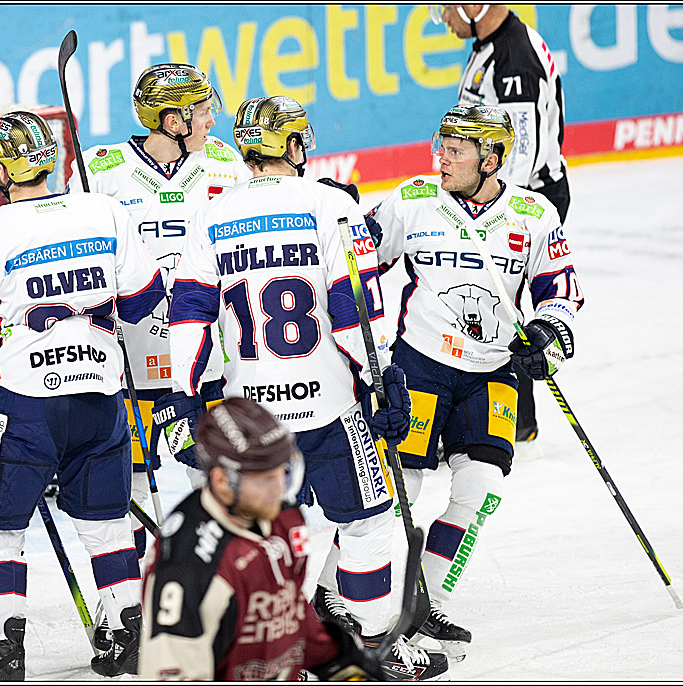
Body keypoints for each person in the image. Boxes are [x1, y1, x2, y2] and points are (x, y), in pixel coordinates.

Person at [156, 95, 446, 680]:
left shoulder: (209, 217)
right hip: (332, 408)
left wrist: (185, 403)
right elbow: (355, 311)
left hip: (254, 421)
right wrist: (379, 381)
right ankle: (370, 649)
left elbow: (187, 320)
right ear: (292, 146)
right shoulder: (330, 204)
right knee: (367, 523)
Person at [0, 111, 165, 680]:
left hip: (24, 408)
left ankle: (5, 653)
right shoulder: (105, 210)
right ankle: (129, 637)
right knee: (109, 526)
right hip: (103, 403)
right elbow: (144, 303)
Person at [369, 104, 583, 660]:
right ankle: (333, 595)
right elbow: (359, 260)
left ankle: (422, 605)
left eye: (457, 150)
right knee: (401, 491)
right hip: (420, 366)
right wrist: (337, 218)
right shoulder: (414, 200)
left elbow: (561, 289)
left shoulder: (532, 214)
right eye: (442, 146)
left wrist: (549, 332)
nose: (442, 157)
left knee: (478, 489)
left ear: (491, 159)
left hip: (491, 374)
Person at [67, 63, 250, 567]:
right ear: (172, 121)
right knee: (124, 498)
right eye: (202, 110)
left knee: (214, 481)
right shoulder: (101, 169)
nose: (212, 119)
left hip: (205, 361)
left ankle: (218, 597)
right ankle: (126, 611)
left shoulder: (224, 163)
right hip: (128, 361)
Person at [141, 397, 383, 680]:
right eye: (265, 479)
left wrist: (334, 658)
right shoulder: (186, 567)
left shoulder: (282, 516)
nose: (279, 488)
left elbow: (287, 607)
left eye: (283, 471)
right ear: (222, 481)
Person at [434, 3, 571, 445]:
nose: (443, 18)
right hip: (493, 195)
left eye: (445, 8)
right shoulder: (489, 45)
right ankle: (512, 415)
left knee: (498, 303)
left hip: (523, 201)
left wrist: (477, 212)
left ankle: (512, 417)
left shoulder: (514, 57)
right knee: (487, 299)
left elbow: (520, 159)